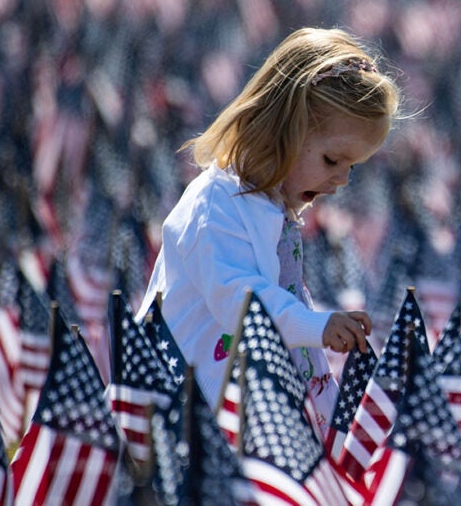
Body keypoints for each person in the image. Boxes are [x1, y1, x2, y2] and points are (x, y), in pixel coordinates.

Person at [137, 27, 402, 437]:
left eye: (353, 166)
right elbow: (240, 302)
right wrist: (317, 326)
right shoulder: (216, 203)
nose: (343, 179)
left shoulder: (272, 210)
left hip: (243, 410)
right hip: (184, 412)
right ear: (283, 128)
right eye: (333, 159)